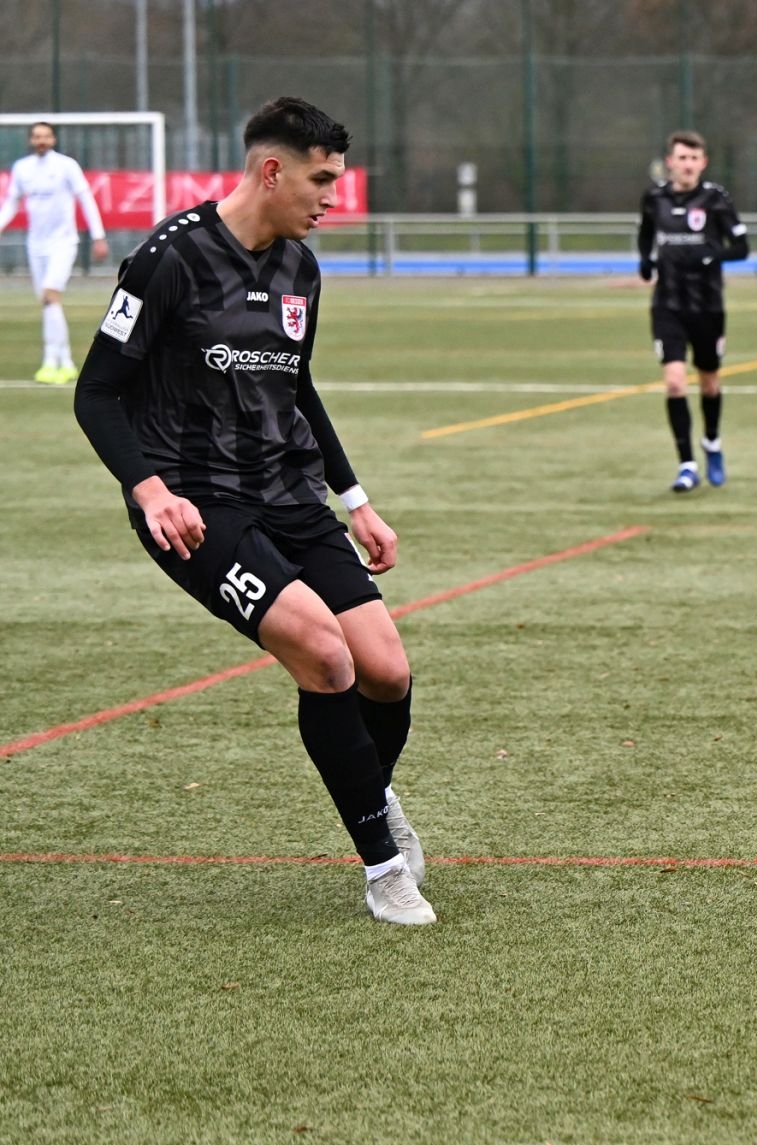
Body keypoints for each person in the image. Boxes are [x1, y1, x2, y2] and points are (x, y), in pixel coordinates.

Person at [72, 97, 434, 925]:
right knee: (325, 656)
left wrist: (357, 501)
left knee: (386, 671)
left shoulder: (301, 268)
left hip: (289, 494)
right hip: (196, 509)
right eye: (321, 179)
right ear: (272, 171)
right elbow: (96, 394)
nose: (331, 197)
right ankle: (383, 869)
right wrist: (150, 490)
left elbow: (298, 389)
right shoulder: (169, 258)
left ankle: (373, 801)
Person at [638, 130, 750, 493]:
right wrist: (645, 261)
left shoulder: (716, 200)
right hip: (667, 305)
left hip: (707, 307)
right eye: (681, 158)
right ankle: (686, 465)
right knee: (674, 383)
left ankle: (712, 442)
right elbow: (646, 233)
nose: (687, 165)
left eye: (693, 158)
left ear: (703, 163)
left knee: (709, 382)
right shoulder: (654, 198)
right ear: (670, 162)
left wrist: (711, 256)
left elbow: (742, 248)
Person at [0, 121, 109, 383]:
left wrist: (98, 236)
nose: (42, 140)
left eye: (46, 136)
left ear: (53, 139)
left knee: (50, 296)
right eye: (37, 136)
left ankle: (50, 361)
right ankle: (66, 362)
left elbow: (86, 199)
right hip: (36, 245)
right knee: (49, 303)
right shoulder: (22, 168)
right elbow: (12, 202)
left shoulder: (66, 166)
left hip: (63, 243)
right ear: (31, 140)